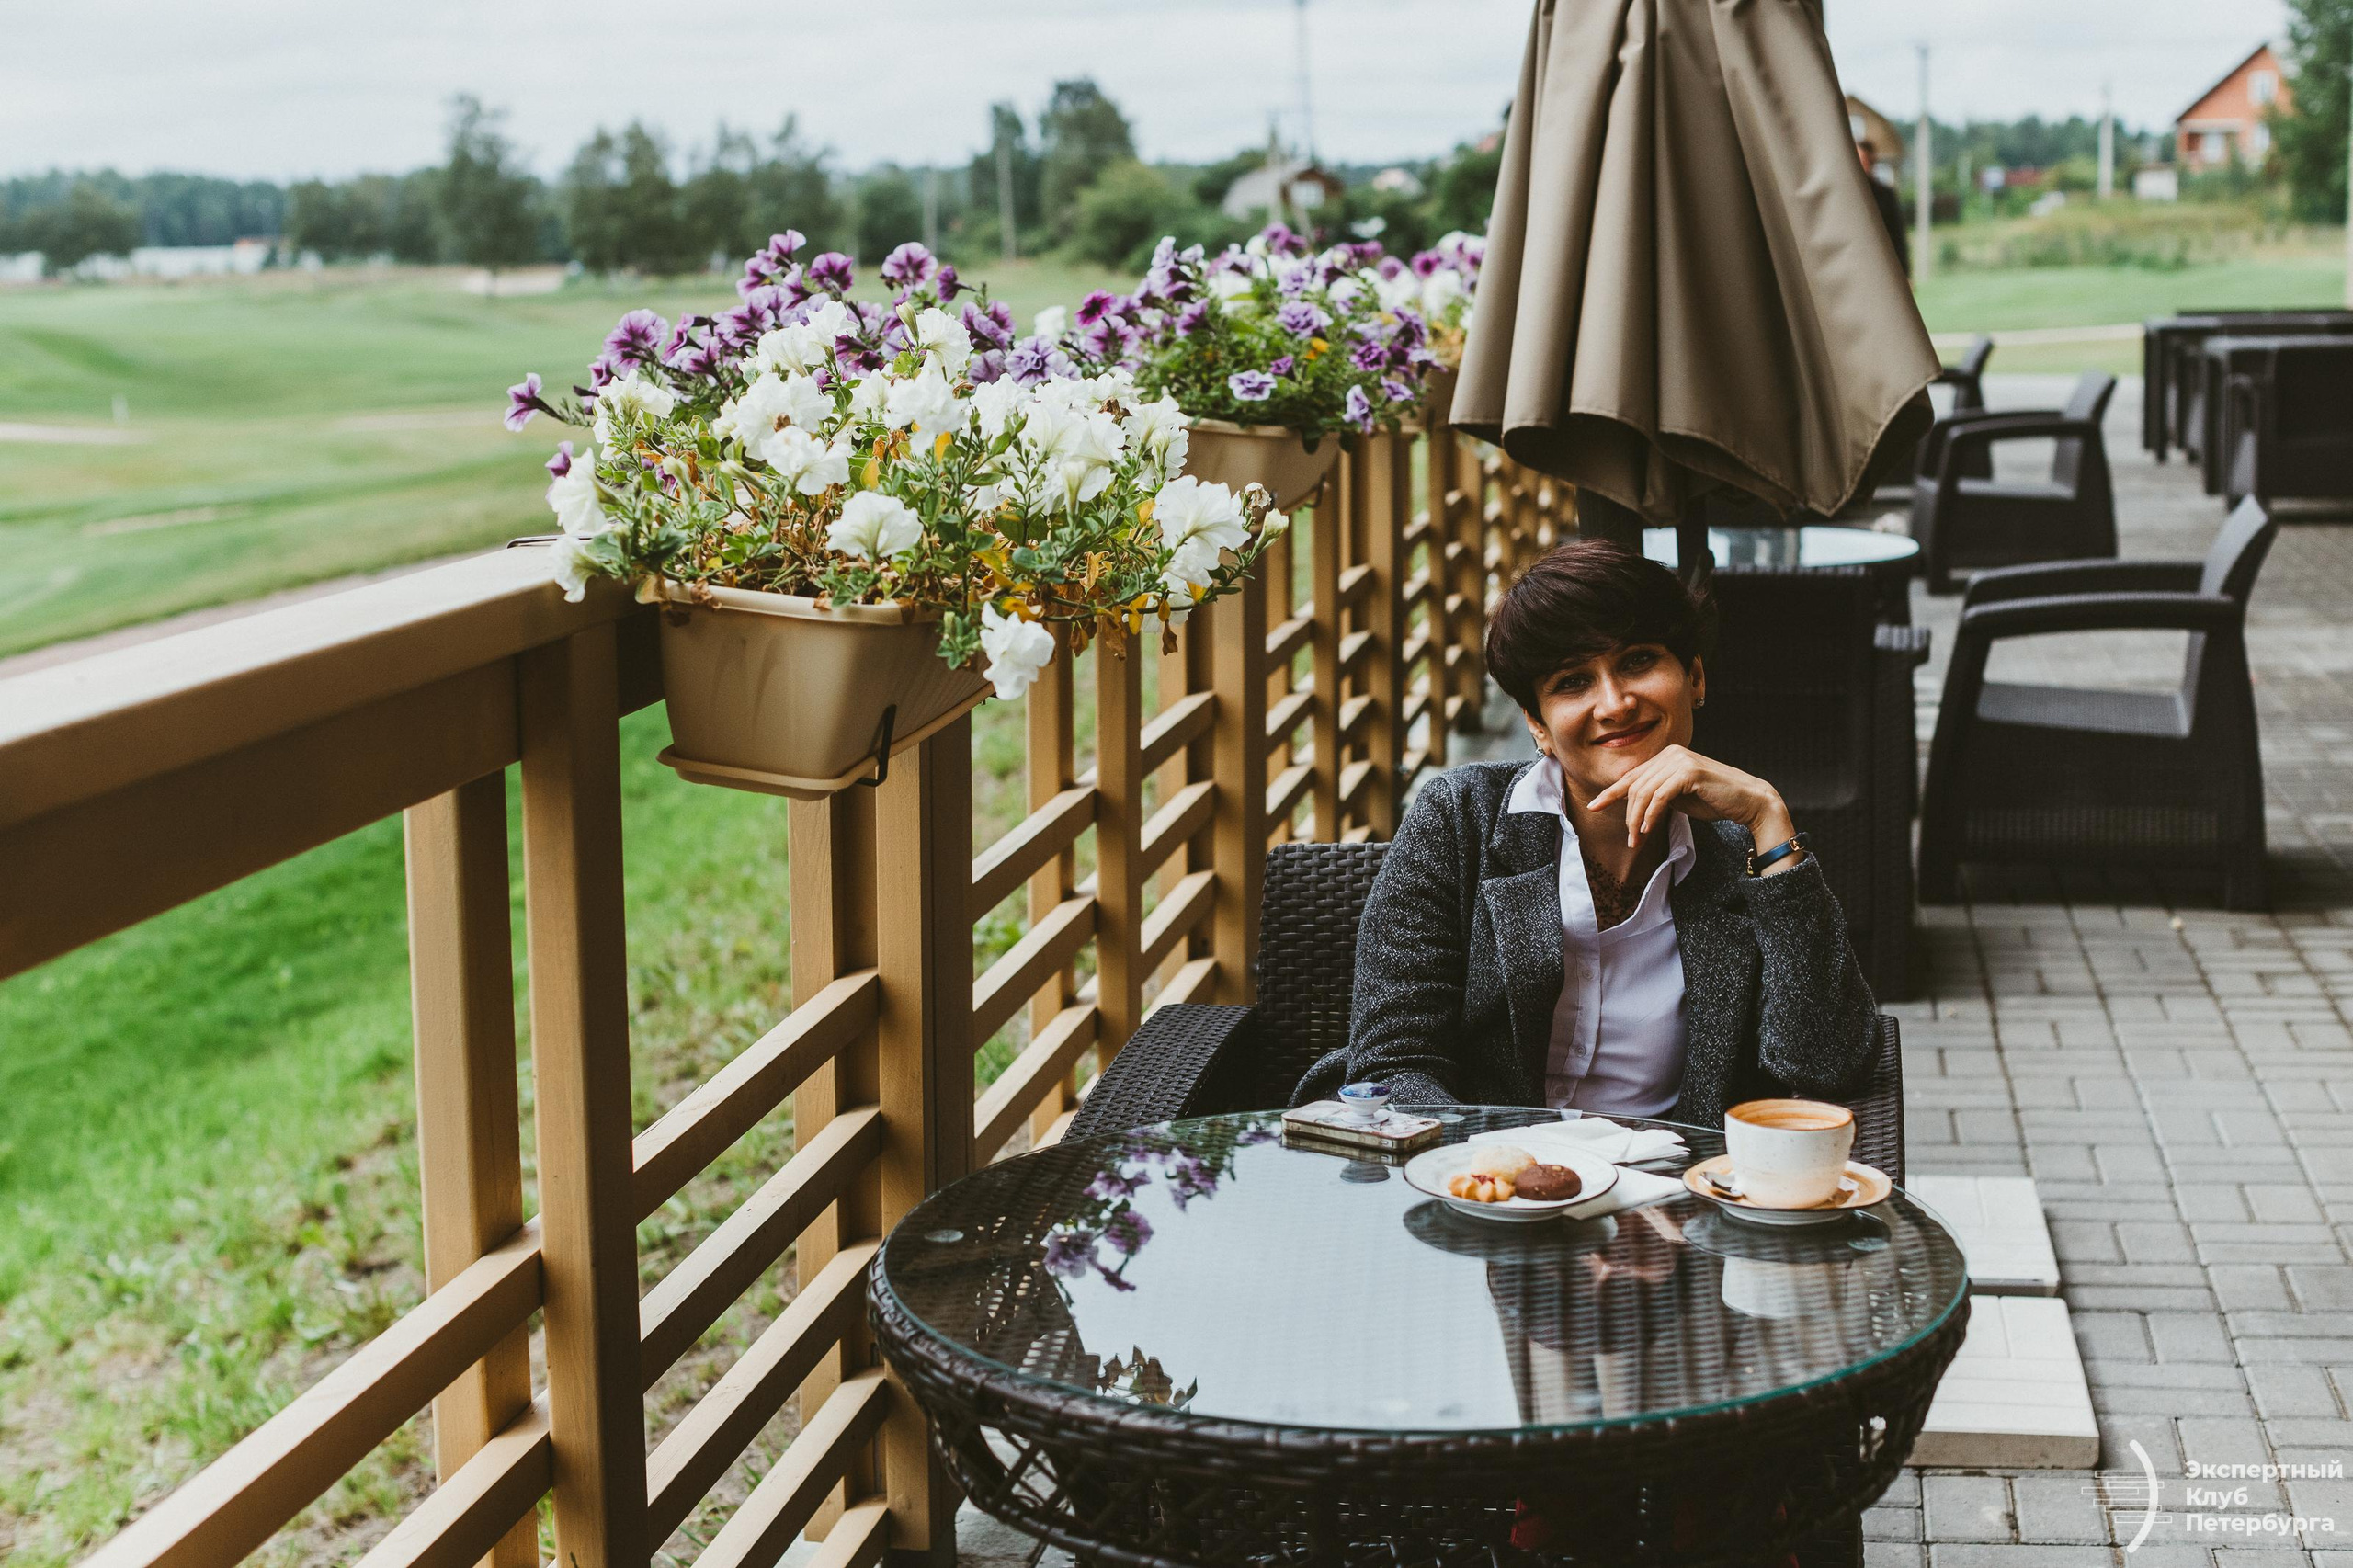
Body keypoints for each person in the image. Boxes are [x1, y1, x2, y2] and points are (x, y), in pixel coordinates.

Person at [1293, 540, 1877, 1126]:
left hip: (1671, 1193)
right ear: (1537, 724)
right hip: (1482, 1184)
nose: (1615, 703)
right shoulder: (1461, 819)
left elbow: (1827, 1067)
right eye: (1573, 681)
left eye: (1638, 661)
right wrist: (1508, 1171)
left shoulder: (1739, 858)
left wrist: (1769, 819)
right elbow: (1392, 1064)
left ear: (1694, 676)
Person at [1862, 140, 1909, 278]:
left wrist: (1905, 272)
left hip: (1882, 265)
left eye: (1863, 160)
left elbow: (1898, 235)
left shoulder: (1886, 194)